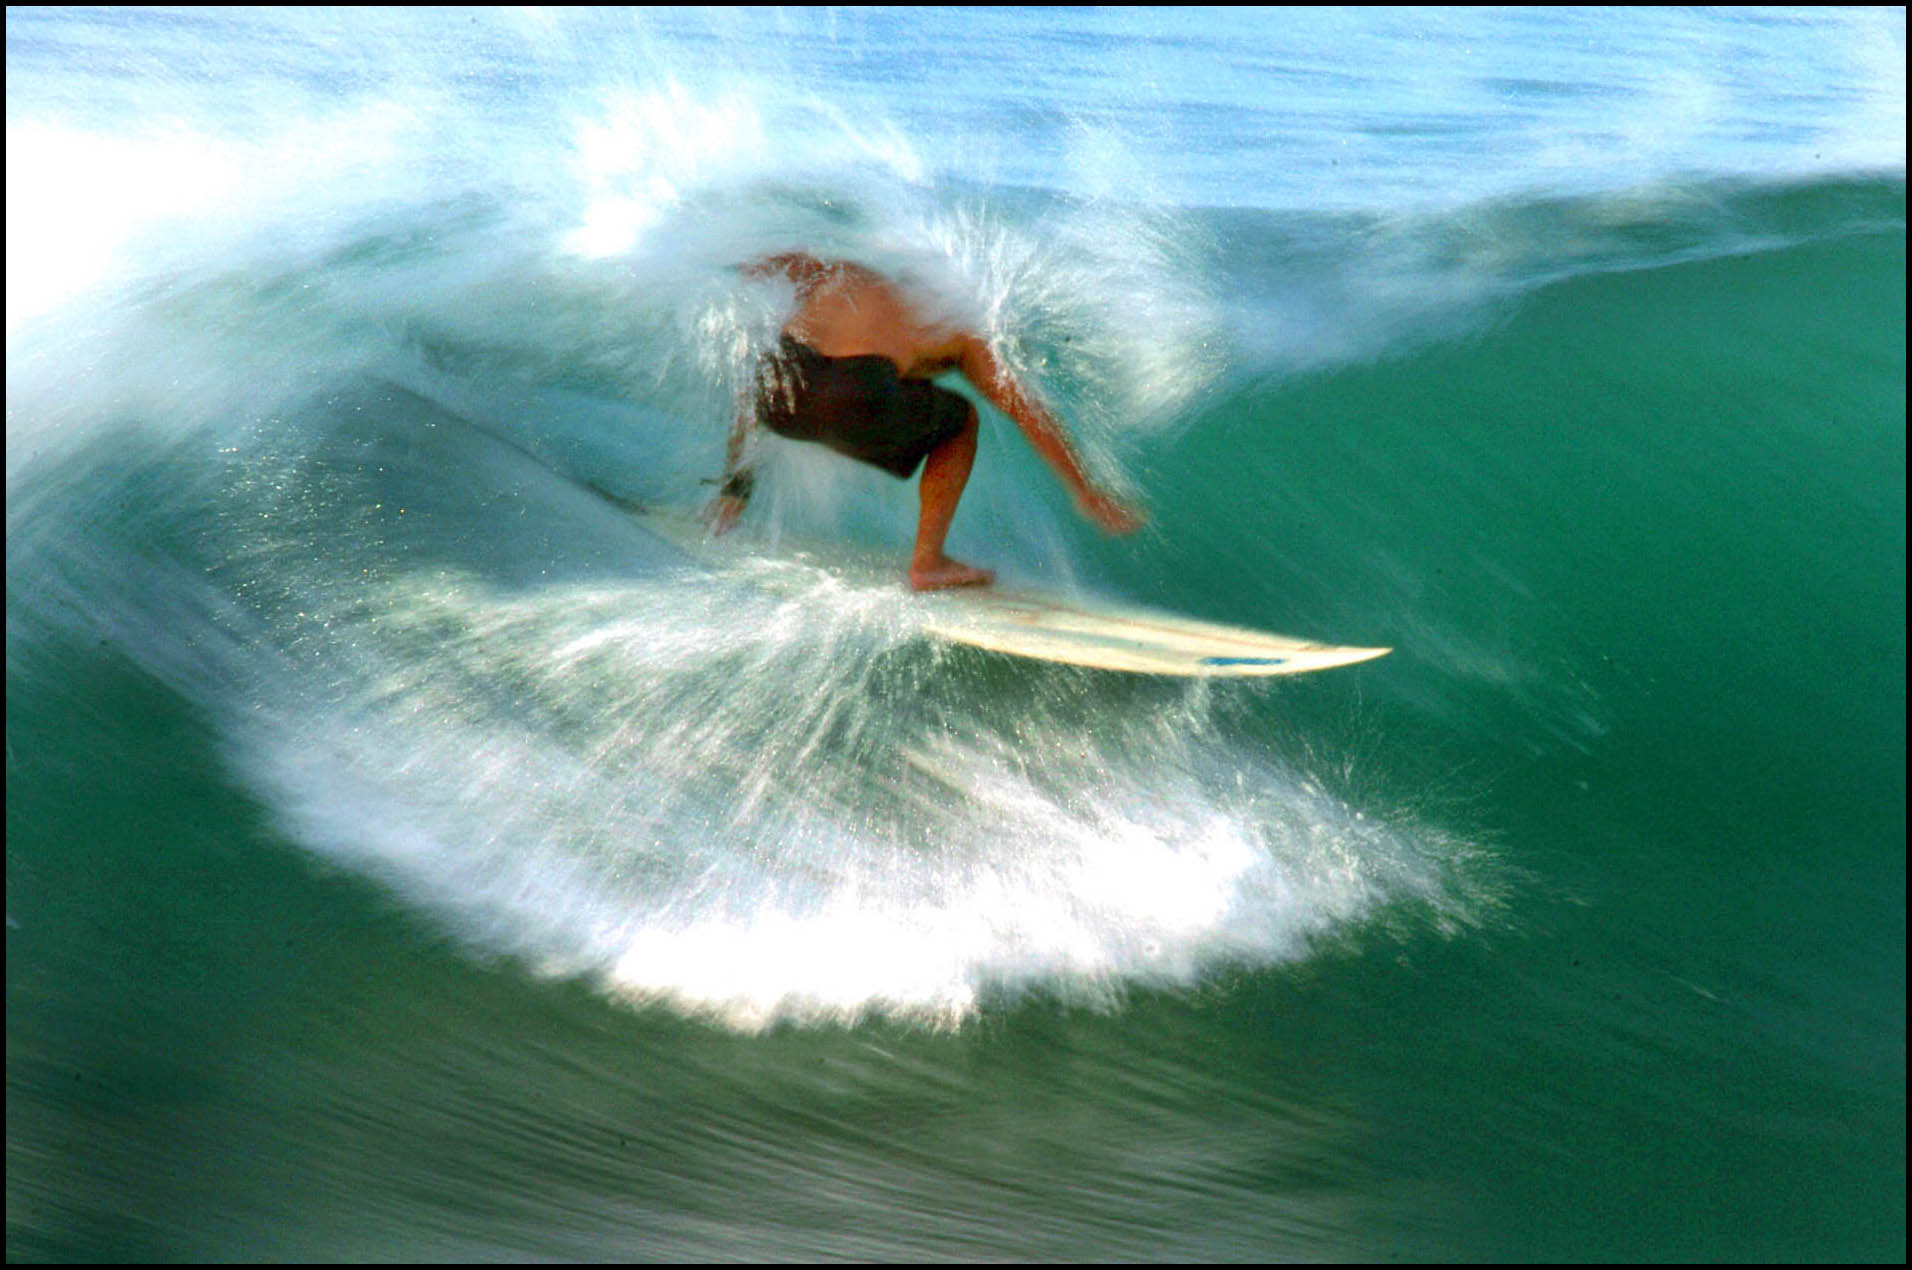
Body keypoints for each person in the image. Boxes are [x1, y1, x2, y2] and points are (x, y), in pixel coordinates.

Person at [704, 252, 1143, 590]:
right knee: (962, 419)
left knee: (765, 368)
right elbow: (1027, 411)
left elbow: (764, 264)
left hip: (775, 393)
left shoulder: (843, 271)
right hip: (853, 392)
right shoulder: (959, 326)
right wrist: (1085, 491)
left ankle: (732, 496)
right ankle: (927, 563)